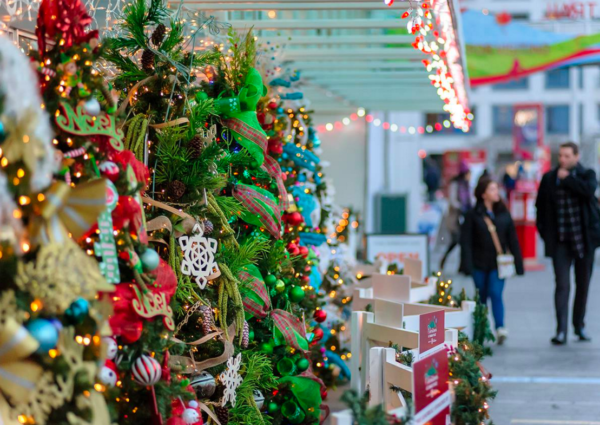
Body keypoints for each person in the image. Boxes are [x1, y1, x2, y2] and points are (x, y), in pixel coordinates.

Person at [536, 142, 600, 345]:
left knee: (583, 285)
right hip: (560, 242)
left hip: (584, 241)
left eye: (567, 156)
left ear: (576, 156)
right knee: (562, 285)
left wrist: (569, 179)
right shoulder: (549, 178)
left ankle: (578, 325)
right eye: (560, 155)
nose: (562, 159)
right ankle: (560, 330)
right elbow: (540, 207)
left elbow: (588, 192)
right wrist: (545, 235)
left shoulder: (586, 174)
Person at [460, 178, 524, 345]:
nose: (497, 193)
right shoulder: (472, 215)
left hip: (498, 264)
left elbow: (513, 240)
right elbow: (466, 241)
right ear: (483, 194)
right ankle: (481, 329)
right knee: (481, 296)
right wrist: (466, 264)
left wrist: (519, 263)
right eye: (492, 189)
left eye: (497, 189)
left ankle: (500, 328)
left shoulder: (504, 213)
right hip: (478, 263)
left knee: (495, 293)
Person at [440, 163, 472, 271]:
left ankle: (462, 266)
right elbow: (453, 200)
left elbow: (470, 199)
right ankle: (443, 260)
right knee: (455, 240)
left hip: (465, 216)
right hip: (455, 218)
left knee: (463, 241)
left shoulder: (467, 185)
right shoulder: (455, 184)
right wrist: (461, 207)